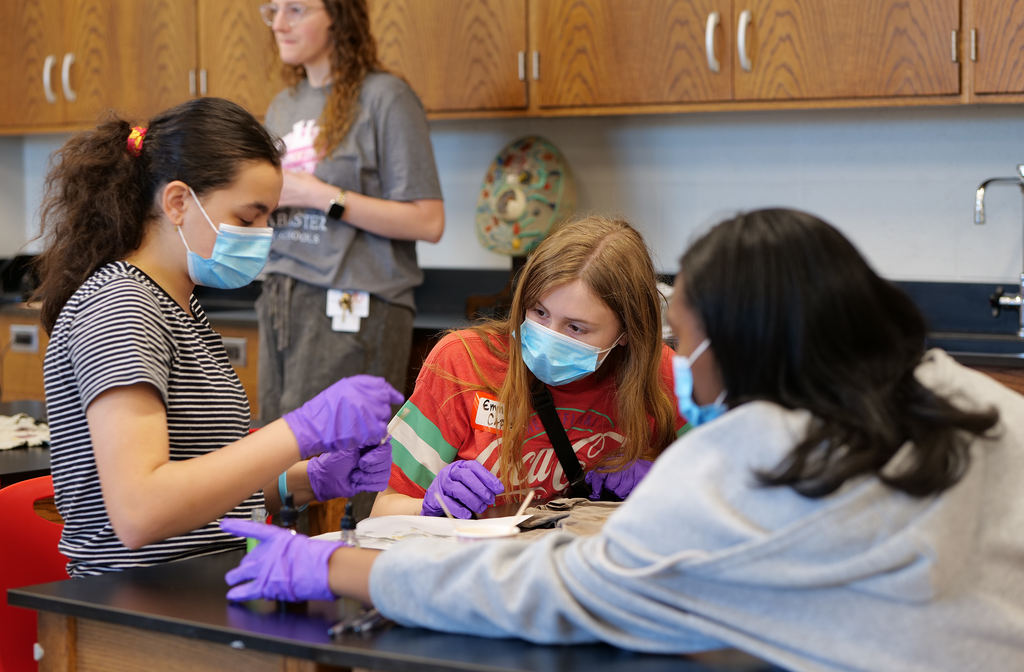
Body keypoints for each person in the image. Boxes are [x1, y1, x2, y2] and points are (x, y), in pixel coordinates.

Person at [222, 208, 1024, 672]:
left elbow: (558, 588)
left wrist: (333, 563)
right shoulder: (968, 395)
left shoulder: (747, 460)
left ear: (737, 348)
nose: (687, 377)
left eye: (687, 341)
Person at [35, 97, 404, 577]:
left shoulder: (180, 306)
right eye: (248, 218)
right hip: (137, 605)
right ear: (177, 202)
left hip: (202, 582)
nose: (263, 235)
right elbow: (142, 511)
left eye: (270, 218)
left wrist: (312, 479)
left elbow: (207, 490)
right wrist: (300, 431)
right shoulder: (121, 306)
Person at [256, 0, 444, 519]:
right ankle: (285, 577)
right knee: (281, 463)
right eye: (274, 10)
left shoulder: (385, 98)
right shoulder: (283, 105)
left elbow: (428, 220)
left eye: (296, 9)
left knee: (346, 468)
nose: (279, 23)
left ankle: (351, 583)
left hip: (355, 306)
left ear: (337, 17)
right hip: (282, 299)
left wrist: (321, 195)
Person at [370, 216, 686, 518]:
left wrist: (668, 484)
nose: (549, 338)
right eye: (539, 312)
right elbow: (381, 510)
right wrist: (429, 505)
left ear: (626, 333)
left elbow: (726, 494)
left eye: (576, 328)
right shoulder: (461, 362)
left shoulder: (661, 373)